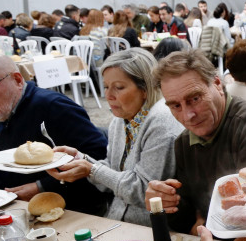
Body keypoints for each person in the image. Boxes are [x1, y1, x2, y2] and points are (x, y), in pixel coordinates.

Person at [144, 49, 246, 234]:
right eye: (176, 106)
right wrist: (166, 202)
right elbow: (187, 221)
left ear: (217, 83)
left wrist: (204, 224)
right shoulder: (184, 143)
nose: (188, 115)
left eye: (194, 98)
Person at [46, 49, 183, 225]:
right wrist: (81, 159)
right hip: (118, 222)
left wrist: (92, 169)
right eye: (105, 86)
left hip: (151, 229)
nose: (108, 95)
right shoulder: (120, 121)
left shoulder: (162, 121)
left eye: (118, 87)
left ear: (145, 89)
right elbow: (110, 179)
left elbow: (144, 192)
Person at [0, 56, 108, 215]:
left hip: (70, 210)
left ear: (18, 80)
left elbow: (98, 156)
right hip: (12, 209)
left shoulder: (54, 107)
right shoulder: (1, 112)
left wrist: (41, 186)